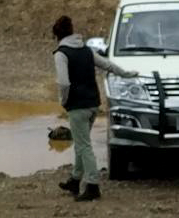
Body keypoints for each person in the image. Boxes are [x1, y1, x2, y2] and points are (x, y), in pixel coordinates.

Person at [52, 14, 141, 202]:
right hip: (93, 104)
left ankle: (92, 185)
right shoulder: (85, 50)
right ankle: (75, 180)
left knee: (83, 145)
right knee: (81, 141)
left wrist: (64, 100)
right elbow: (106, 64)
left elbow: (64, 83)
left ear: (57, 36)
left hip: (77, 106)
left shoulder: (61, 54)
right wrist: (127, 74)